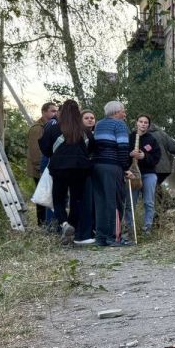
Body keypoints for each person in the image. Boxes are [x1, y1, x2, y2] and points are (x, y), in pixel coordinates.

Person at [39, 99, 93, 245]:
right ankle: (72, 227)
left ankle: (64, 224)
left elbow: (45, 148)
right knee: (76, 200)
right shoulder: (84, 130)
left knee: (58, 199)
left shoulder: (54, 128)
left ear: (62, 112)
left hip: (59, 168)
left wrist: (56, 155)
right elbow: (91, 147)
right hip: (80, 169)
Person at [91, 101, 132, 247]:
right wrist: (126, 167)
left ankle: (101, 237)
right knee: (114, 201)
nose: (124, 114)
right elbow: (123, 147)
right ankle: (113, 237)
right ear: (116, 112)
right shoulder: (120, 124)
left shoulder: (99, 124)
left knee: (100, 202)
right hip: (112, 166)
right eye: (123, 111)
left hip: (97, 165)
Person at [125, 115, 161, 235]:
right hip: (133, 174)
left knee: (148, 202)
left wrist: (144, 156)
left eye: (146, 122)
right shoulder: (129, 137)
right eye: (141, 121)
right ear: (137, 123)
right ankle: (130, 228)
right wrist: (130, 155)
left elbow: (156, 158)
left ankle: (147, 228)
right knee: (131, 202)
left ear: (148, 125)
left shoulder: (152, 140)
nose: (143, 124)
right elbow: (122, 154)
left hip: (148, 174)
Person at [27, 101, 57, 225]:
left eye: (56, 111)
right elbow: (35, 150)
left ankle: (47, 223)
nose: (55, 113)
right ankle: (42, 224)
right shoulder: (37, 128)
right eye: (52, 111)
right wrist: (40, 167)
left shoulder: (49, 126)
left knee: (48, 196)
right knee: (42, 197)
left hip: (46, 167)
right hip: (39, 168)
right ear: (44, 112)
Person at [75, 111, 97, 245]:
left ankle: (90, 231)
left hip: (92, 170)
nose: (90, 120)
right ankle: (82, 234)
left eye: (92, 118)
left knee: (92, 202)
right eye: (86, 118)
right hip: (81, 171)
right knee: (84, 202)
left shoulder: (94, 133)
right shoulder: (80, 134)